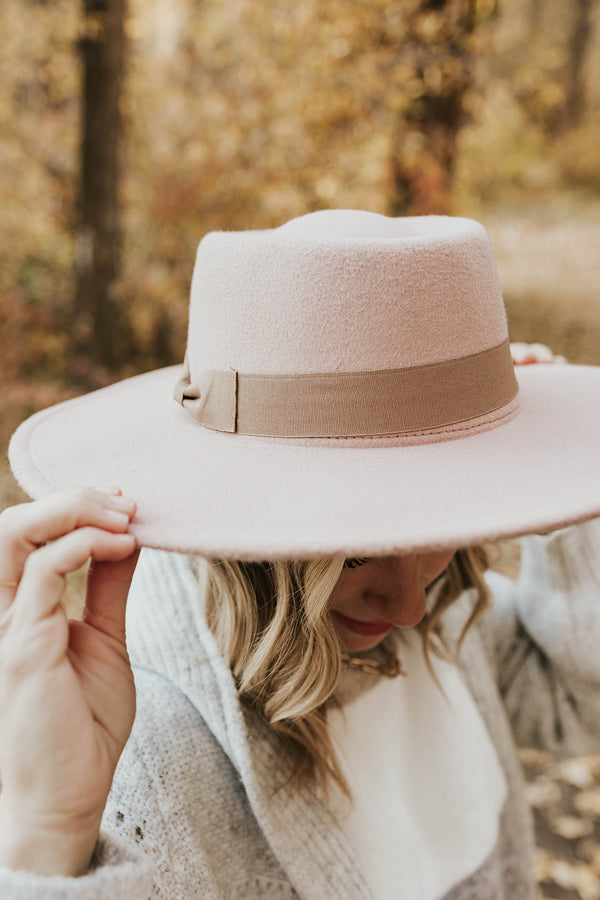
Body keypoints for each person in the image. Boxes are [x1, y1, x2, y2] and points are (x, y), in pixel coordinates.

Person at [2, 210, 600, 899]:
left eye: (438, 536)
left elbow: (571, 706)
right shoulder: (153, 754)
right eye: (351, 557)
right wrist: (50, 830)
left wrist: (561, 511)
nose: (408, 604)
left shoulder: (437, 623)